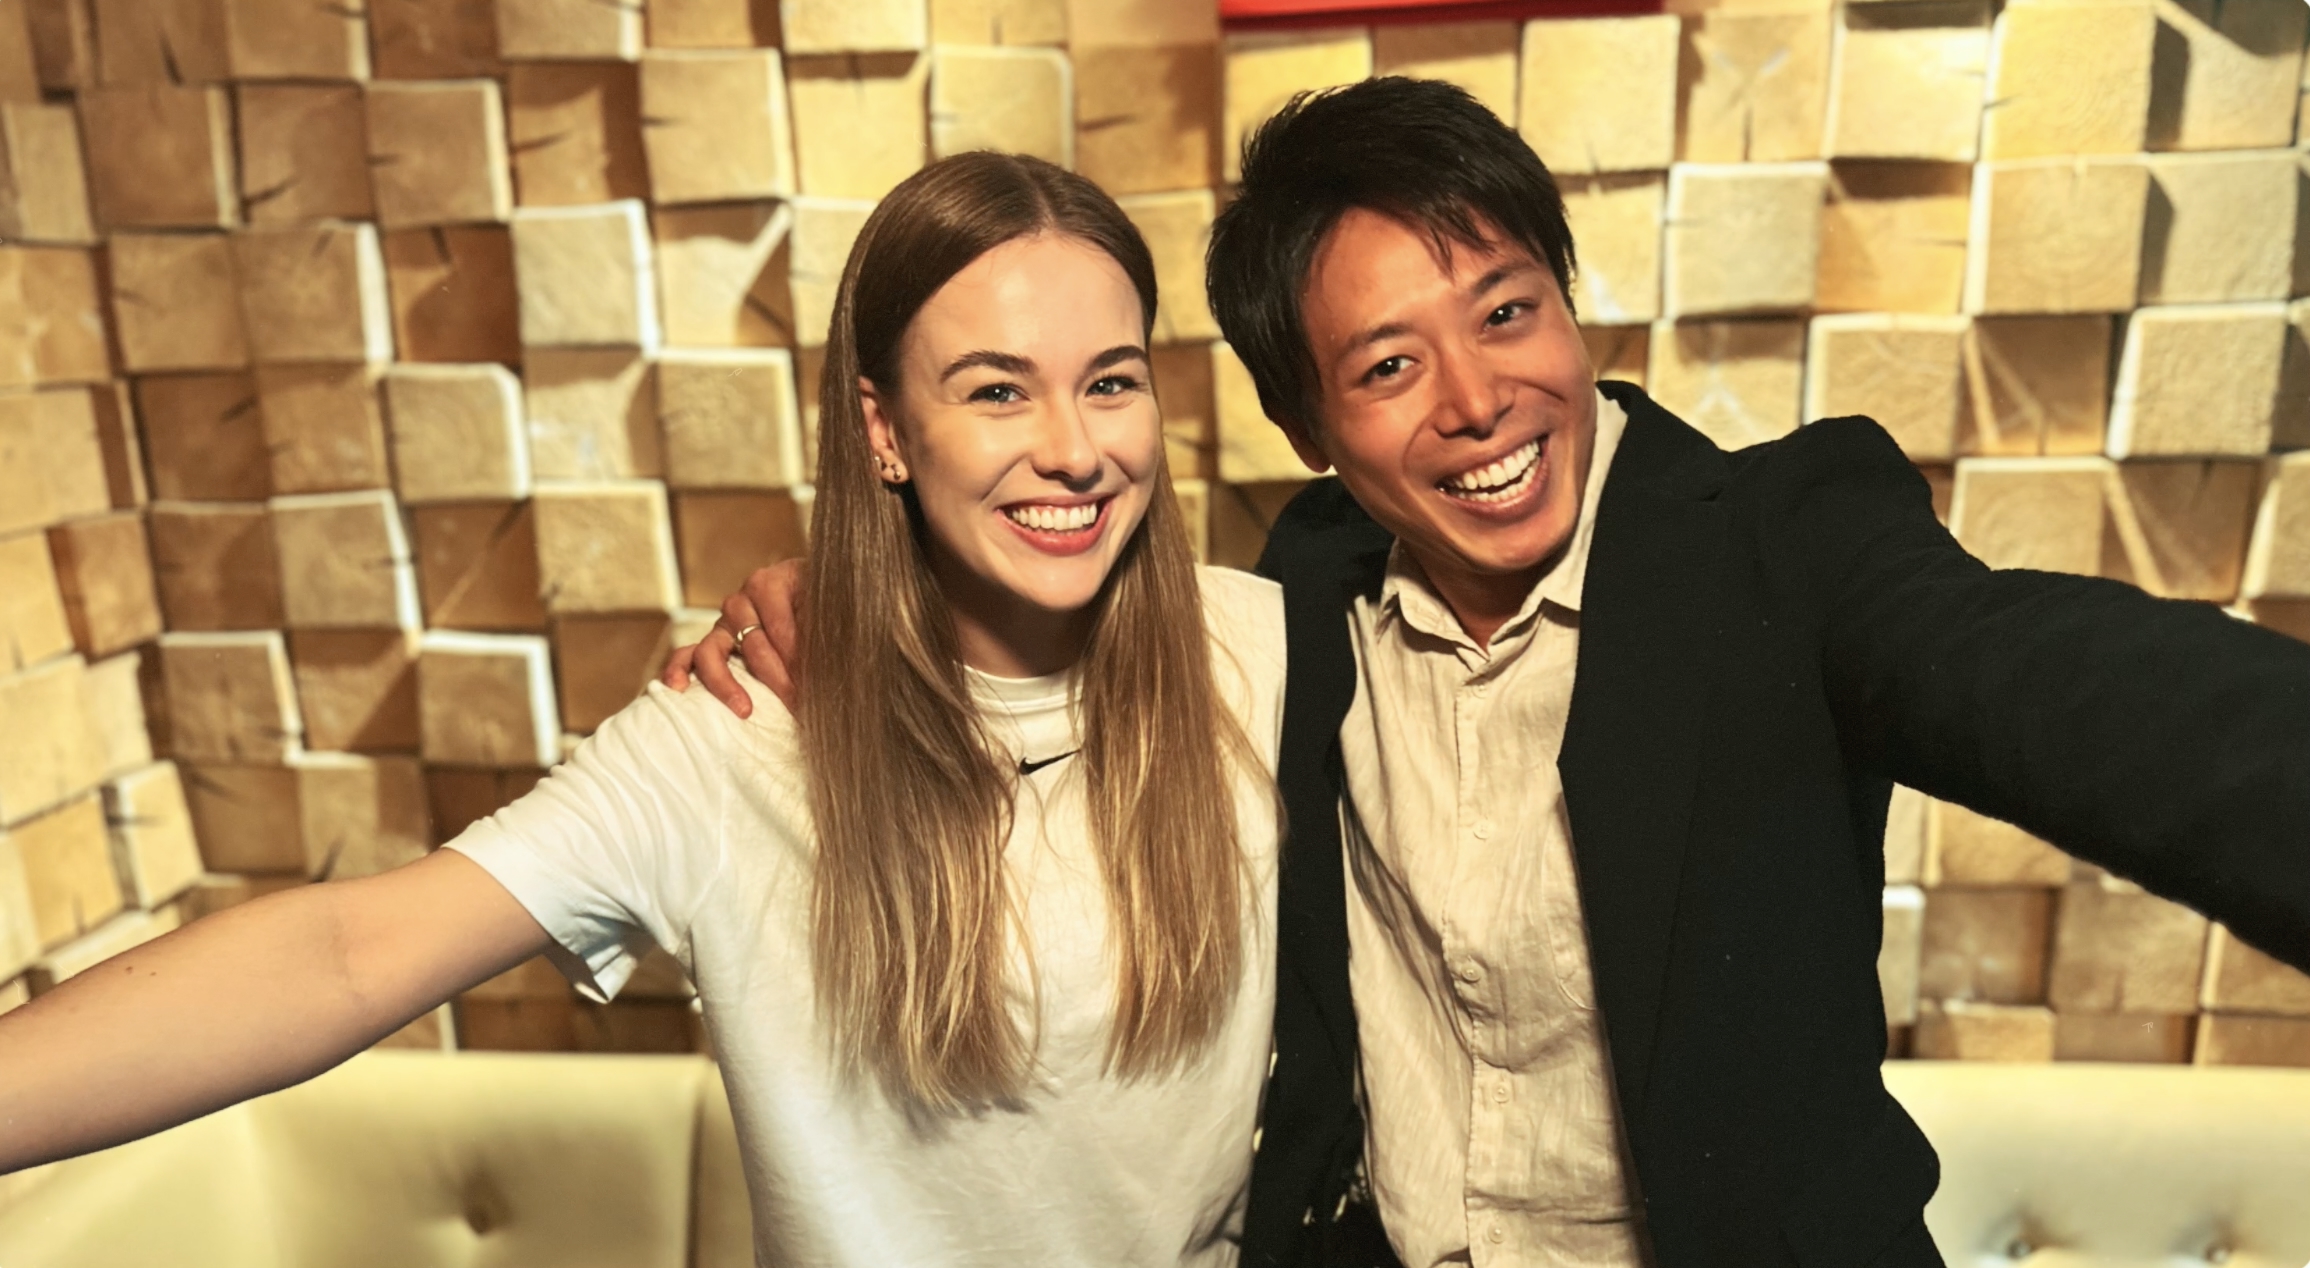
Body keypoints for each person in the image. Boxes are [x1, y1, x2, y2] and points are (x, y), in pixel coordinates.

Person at [671, 80, 2310, 1268]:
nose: (1474, 400)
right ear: (1310, 429)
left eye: (1506, 311)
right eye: (1388, 363)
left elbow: (2052, 682)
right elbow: (1044, 609)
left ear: (1567, 307)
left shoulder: (1782, 546)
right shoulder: (1299, 597)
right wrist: (851, 593)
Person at [0, 152, 1292, 1266]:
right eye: (996, 389)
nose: (1074, 449)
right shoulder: (737, 731)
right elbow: (350, 953)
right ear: (884, 429)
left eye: (1110, 381)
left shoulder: (1264, 655)